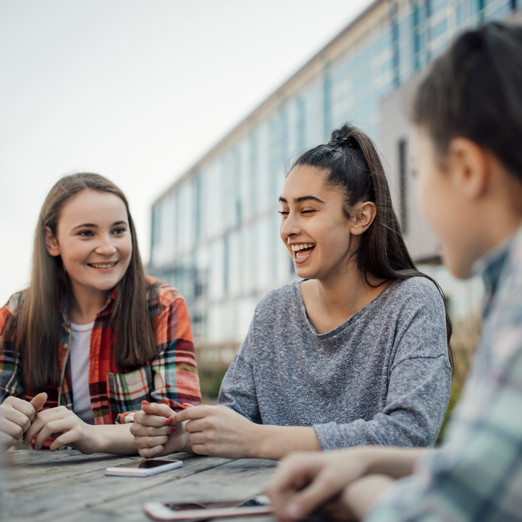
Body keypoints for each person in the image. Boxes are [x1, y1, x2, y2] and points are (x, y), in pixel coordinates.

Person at [264, 21, 522, 522]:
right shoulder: (505, 286)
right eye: (283, 210)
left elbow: (443, 511)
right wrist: (362, 459)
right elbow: (479, 464)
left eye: (421, 172)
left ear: (467, 170)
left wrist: (352, 490)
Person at [131, 122, 453, 460]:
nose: (288, 229)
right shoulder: (274, 309)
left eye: (308, 210)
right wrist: (183, 432)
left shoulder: (414, 300)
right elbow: (234, 418)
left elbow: (408, 435)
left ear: (360, 217)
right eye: (284, 212)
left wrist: (258, 441)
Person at [0, 173, 201, 455]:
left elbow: (182, 425)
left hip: (138, 486)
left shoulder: (163, 305)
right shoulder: (17, 314)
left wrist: (93, 435)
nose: (107, 248)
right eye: (86, 233)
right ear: (52, 241)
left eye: (118, 230)